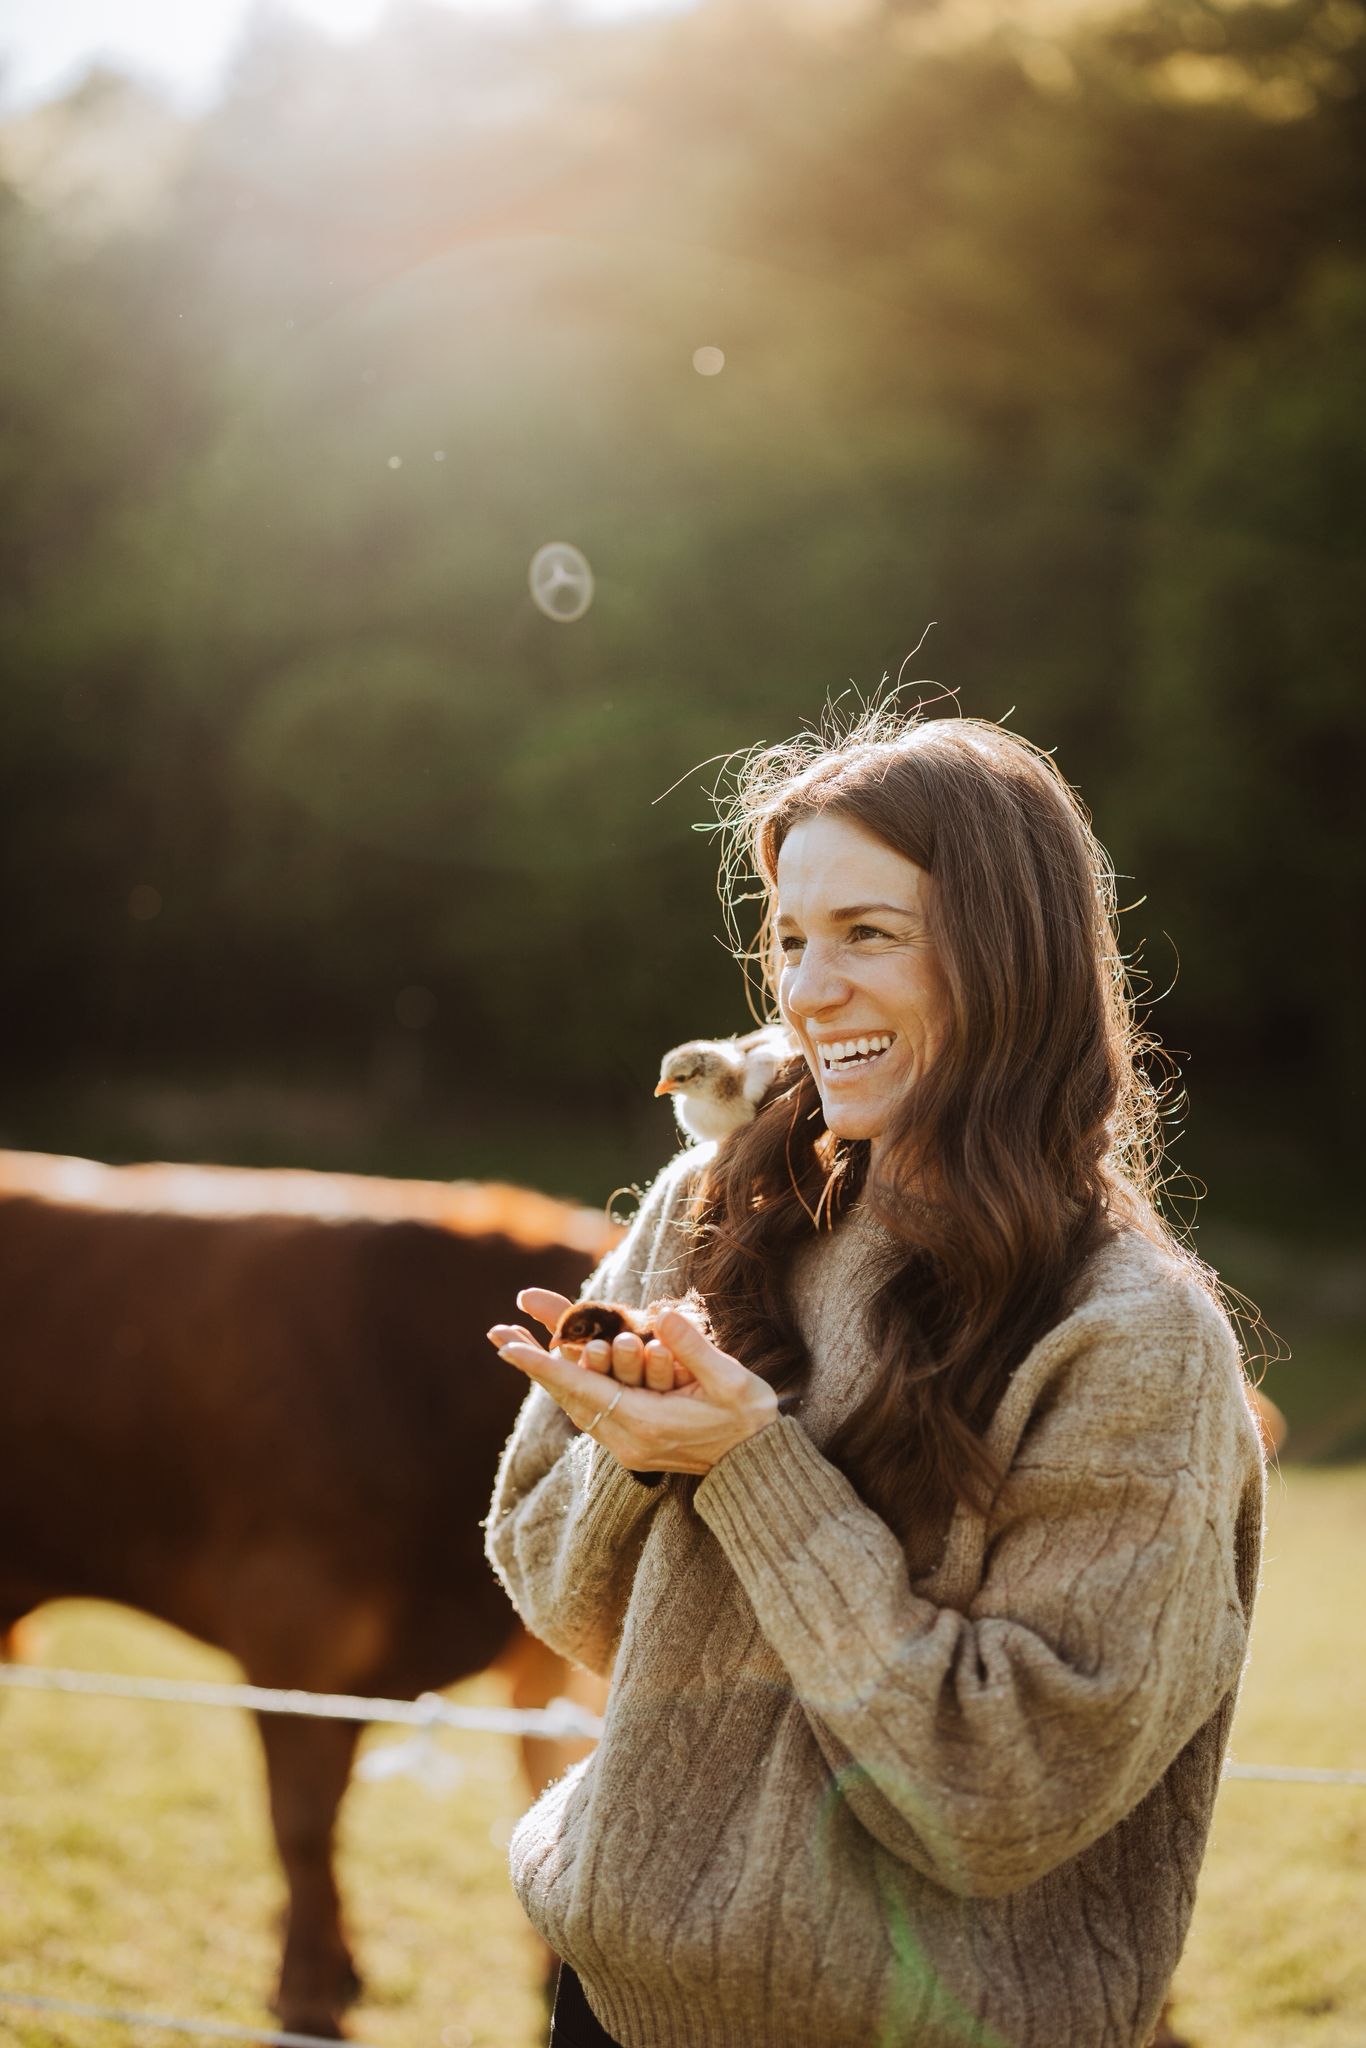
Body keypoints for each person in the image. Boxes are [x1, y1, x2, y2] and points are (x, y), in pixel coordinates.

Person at [483, 707, 1266, 2048]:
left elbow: (1003, 1792)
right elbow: (569, 1603)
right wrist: (637, 1452)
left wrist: (749, 1469)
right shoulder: (709, 1205)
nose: (806, 992)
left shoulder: (1133, 1338)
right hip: (613, 2007)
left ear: (1010, 962)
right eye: (790, 938)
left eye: (868, 934)